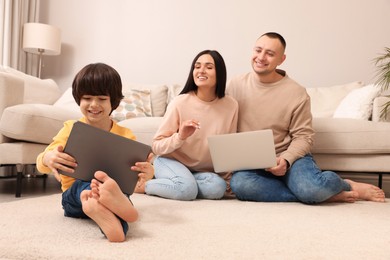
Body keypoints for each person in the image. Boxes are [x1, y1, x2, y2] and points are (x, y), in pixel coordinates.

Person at [227, 32, 385, 204]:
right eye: (258, 50)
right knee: (240, 185)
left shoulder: (296, 92)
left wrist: (286, 160)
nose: (261, 57)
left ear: (281, 59)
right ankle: (325, 194)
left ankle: (346, 185)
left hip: (290, 158)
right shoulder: (235, 85)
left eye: (270, 54)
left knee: (311, 189)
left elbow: (304, 137)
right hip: (253, 162)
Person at [36, 63, 154, 242]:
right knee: (88, 185)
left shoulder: (126, 135)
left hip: (114, 195)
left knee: (117, 197)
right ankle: (100, 203)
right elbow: (42, 163)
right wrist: (48, 157)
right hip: (74, 198)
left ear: (113, 101)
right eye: (87, 98)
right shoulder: (71, 128)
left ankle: (114, 226)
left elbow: (135, 177)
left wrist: (148, 173)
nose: (94, 104)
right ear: (78, 99)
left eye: (101, 98)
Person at [145, 50, 238, 201]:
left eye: (208, 67)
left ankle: (182, 184)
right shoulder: (180, 102)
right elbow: (156, 146)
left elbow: (228, 147)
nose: (201, 71)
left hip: (201, 172)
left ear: (219, 72)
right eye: (197, 66)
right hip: (170, 162)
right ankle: (145, 185)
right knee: (186, 191)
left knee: (217, 188)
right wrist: (180, 136)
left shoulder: (231, 105)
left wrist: (227, 179)